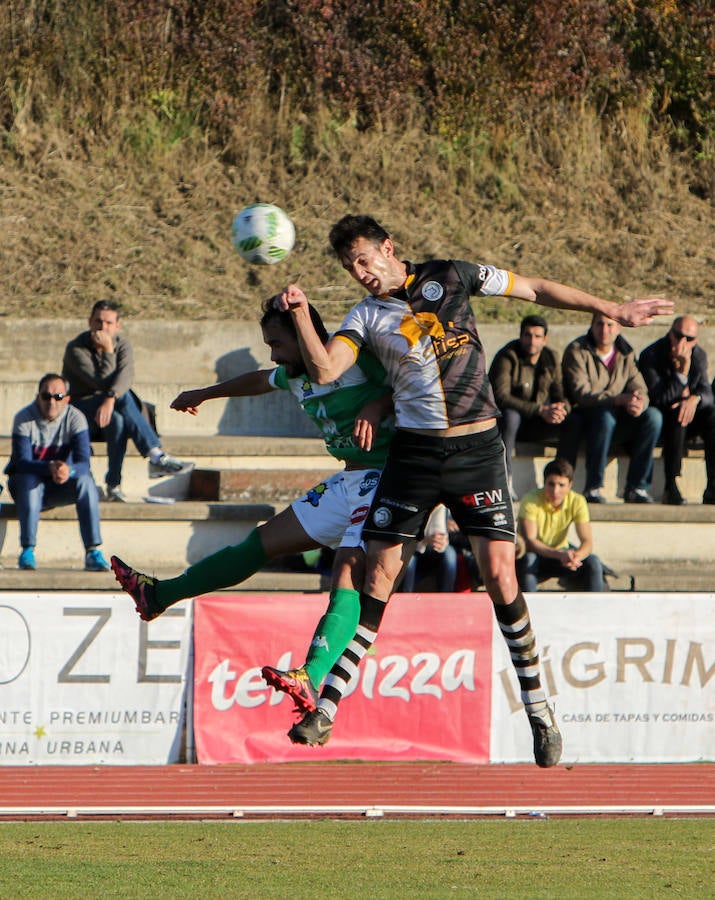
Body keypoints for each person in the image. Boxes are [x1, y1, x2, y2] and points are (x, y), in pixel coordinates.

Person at [276, 212, 672, 767]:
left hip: (476, 451)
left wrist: (609, 308)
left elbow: (533, 287)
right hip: (414, 455)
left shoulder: (451, 275)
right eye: (350, 266)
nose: (360, 272)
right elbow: (323, 371)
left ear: (390, 247)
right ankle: (328, 709)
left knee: (500, 576)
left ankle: (538, 708)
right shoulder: (364, 316)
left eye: (365, 259)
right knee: (378, 574)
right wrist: (299, 318)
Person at [110, 296, 395, 712]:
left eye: (278, 343)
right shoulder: (295, 374)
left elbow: (409, 385)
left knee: (348, 567)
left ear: (304, 336)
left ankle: (311, 674)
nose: (274, 353)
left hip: (387, 479)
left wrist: (379, 403)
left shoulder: (351, 356)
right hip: (349, 480)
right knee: (261, 542)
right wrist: (205, 393)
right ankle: (160, 595)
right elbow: (258, 380)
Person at [62, 299, 192, 502]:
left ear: (117, 325)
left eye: (108, 323)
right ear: (89, 322)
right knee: (124, 395)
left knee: (118, 420)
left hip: (109, 413)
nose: (102, 327)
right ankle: (155, 455)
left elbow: (126, 376)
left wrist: (111, 399)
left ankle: (113, 485)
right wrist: (107, 351)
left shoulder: (123, 345)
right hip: (81, 412)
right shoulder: (76, 348)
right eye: (98, 321)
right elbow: (101, 381)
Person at [4, 373, 110, 572]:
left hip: (59, 485)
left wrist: (67, 471)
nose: (51, 402)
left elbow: (83, 462)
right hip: (27, 487)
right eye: (46, 396)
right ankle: (27, 550)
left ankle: (92, 551)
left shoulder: (76, 418)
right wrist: (49, 468)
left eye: (58, 397)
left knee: (86, 483)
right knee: (29, 480)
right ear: (38, 397)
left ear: (67, 399)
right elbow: (21, 463)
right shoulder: (24, 418)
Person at [560, 312, 662, 504]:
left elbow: (640, 387)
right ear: (591, 326)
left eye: (609, 325)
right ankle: (594, 486)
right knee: (604, 417)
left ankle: (637, 487)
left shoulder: (625, 353)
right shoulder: (577, 350)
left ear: (619, 328)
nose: (604, 330)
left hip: (618, 417)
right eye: (599, 324)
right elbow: (582, 394)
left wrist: (638, 402)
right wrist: (618, 400)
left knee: (653, 417)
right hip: (587, 416)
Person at [488, 314, 569, 495]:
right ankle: (505, 481)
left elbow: (559, 391)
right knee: (510, 416)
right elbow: (500, 397)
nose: (532, 341)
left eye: (537, 336)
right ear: (521, 336)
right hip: (510, 421)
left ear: (545, 339)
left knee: (573, 421)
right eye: (527, 335)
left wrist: (560, 409)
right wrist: (539, 410)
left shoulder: (551, 357)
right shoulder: (507, 357)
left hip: (538, 421)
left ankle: (562, 479)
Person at [638, 316, 715, 505]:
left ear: (695, 341)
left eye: (688, 339)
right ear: (669, 334)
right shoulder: (652, 355)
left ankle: (712, 485)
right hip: (659, 420)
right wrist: (681, 375)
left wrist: (694, 399)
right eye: (678, 336)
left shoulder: (698, 355)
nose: (682, 342)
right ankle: (670, 485)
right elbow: (658, 398)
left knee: (712, 416)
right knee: (678, 414)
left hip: (687, 416)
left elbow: (707, 393)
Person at [517, 458, 604, 592]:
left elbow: (587, 542)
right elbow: (531, 542)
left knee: (594, 562)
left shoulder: (578, 501)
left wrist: (576, 557)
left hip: (562, 555)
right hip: (537, 555)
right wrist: (560, 554)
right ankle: (529, 609)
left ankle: (596, 609)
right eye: (551, 484)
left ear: (570, 485)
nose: (555, 491)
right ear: (544, 483)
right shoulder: (530, 499)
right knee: (529, 559)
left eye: (561, 485)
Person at [398, 504, 459, 593]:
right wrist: (424, 539)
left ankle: (446, 598)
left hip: (437, 547)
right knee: (408, 560)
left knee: (450, 556)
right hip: (412, 544)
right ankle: (405, 596)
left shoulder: (445, 506)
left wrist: (444, 538)